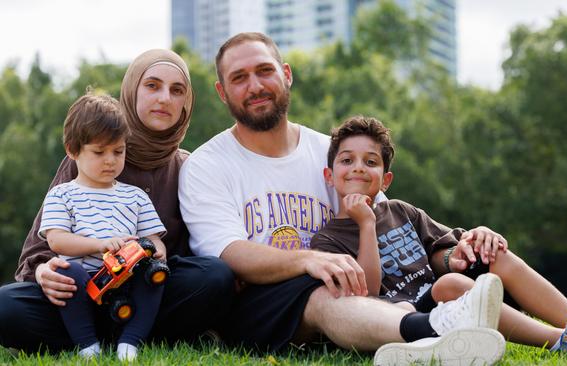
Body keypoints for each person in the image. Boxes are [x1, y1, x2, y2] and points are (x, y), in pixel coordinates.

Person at [179, 32, 505, 366]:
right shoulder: (207, 165)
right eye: (239, 78)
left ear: (286, 74)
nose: (255, 86)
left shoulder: (332, 154)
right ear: (222, 92)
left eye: (264, 71)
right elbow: (228, 252)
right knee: (320, 290)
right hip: (257, 308)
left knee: (489, 253)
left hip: (349, 291)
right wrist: (309, 260)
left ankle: (558, 331)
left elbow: (387, 230)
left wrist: (454, 251)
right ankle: (432, 330)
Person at [310, 115, 567, 360]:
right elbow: (365, 291)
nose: (358, 168)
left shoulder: (400, 211)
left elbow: (448, 246)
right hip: (405, 318)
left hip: (448, 300)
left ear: (386, 180)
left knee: (493, 258)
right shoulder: (326, 241)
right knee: (447, 286)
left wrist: (475, 241)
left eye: (371, 162)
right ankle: (563, 339)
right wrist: (365, 225)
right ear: (330, 175)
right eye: (347, 160)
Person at [0, 49, 235, 354]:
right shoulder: (85, 157)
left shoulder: (190, 167)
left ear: (186, 103)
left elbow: (195, 253)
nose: (164, 98)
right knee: (5, 306)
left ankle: (127, 336)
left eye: (177, 90)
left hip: (146, 292)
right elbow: (38, 251)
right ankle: (95, 337)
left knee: (215, 276)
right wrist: (45, 273)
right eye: (152, 85)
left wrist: (151, 255)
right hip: (78, 293)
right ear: (132, 90)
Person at [39, 92, 168, 360]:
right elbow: (57, 241)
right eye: (99, 152)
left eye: (118, 151)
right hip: (85, 284)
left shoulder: (135, 196)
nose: (110, 160)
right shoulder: (62, 194)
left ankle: (130, 341)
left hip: (128, 281)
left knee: (154, 274)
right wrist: (99, 246)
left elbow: (153, 238)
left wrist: (157, 250)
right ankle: (88, 344)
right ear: (73, 150)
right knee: (68, 270)